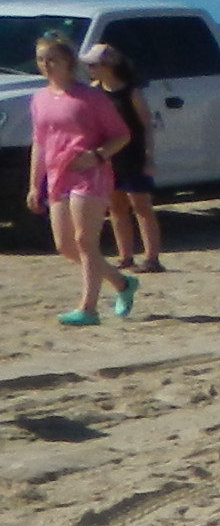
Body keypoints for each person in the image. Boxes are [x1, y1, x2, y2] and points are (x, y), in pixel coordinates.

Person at [23, 36, 135, 326]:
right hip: (58, 175)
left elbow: (122, 135)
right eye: (41, 60)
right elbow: (40, 143)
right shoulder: (40, 98)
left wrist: (97, 155)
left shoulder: (91, 97)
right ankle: (121, 283)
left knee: (85, 240)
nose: (46, 65)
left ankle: (88, 309)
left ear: (68, 62)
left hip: (90, 174)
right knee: (66, 246)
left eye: (52, 59)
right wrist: (35, 184)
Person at [83, 45, 165, 275]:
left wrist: (149, 157)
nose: (89, 69)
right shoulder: (95, 91)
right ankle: (125, 255)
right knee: (116, 206)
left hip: (133, 154)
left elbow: (146, 125)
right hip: (108, 154)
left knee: (141, 205)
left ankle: (152, 257)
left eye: (93, 65)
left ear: (109, 66)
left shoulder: (131, 92)